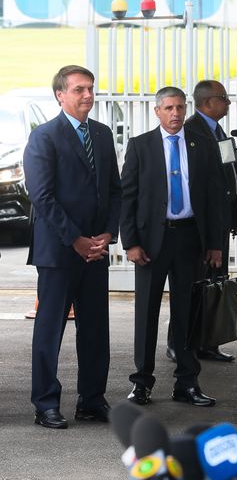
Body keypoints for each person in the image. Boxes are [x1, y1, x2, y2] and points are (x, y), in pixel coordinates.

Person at [24, 65, 121, 429]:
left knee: (96, 329)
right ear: (60, 95)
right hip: (60, 252)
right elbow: (43, 197)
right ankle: (46, 403)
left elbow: (114, 189)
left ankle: (91, 400)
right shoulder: (44, 137)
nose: (88, 96)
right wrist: (76, 239)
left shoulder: (102, 133)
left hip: (96, 249)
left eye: (91, 89)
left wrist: (108, 234)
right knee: (50, 330)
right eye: (79, 89)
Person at [120, 86, 223, 407]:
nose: (176, 114)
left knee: (186, 313)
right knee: (147, 312)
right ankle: (142, 383)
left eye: (180, 107)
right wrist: (131, 242)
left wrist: (216, 244)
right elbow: (128, 198)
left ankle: (187, 383)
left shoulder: (202, 145)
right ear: (157, 111)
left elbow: (215, 196)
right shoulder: (141, 146)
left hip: (190, 239)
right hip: (151, 243)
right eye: (168, 108)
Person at [165, 79, 237, 364]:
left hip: (218, 225)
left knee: (214, 283)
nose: (228, 103)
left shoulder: (219, 132)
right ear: (208, 102)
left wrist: (231, 217)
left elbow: (228, 174)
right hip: (197, 226)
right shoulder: (190, 131)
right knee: (189, 287)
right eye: (224, 98)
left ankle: (208, 341)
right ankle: (179, 343)